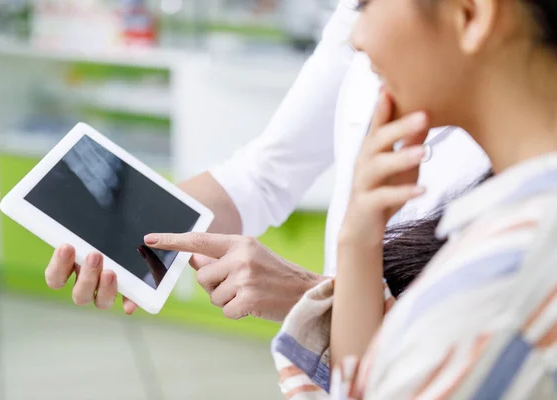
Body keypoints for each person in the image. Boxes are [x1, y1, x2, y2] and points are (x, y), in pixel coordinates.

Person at [44, 0, 490, 319]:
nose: (354, 38)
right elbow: (263, 174)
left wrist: (308, 295)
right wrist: (135, 232)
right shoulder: (361, 29)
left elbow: (459, 344)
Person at [267, 0, 557, 398]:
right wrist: (358, 239)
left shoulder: (504, 282)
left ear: (471, 14)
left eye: (364, 4)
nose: (356, 38)